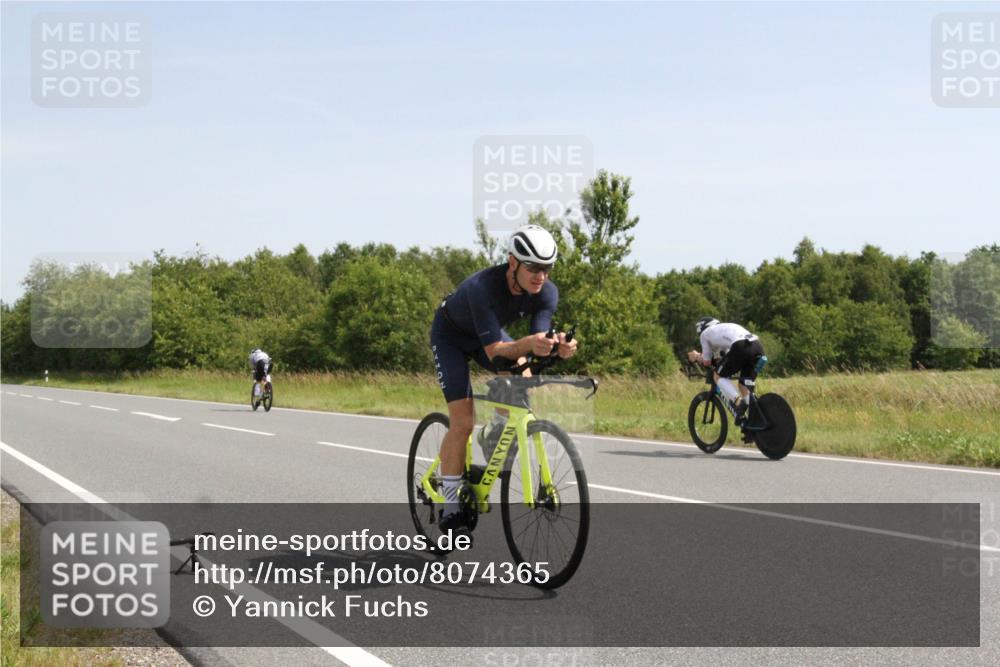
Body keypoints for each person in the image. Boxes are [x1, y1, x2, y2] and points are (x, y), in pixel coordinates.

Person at [430, 224, 578, 531]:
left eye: (547, 268)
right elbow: (497, 351)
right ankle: (450, 505)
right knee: (463, 421)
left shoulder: (546, 291)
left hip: (489, 336)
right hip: (451, 338)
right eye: (533, 267)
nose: (541, 276)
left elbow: (539, 336)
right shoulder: (481, 287)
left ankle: (495, 430)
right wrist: (528, 344)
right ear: (512, 262)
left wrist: (559, 346)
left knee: (522, 378)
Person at [687, 318, 765, 422]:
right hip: (757, 346)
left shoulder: (705, 334)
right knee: (743, 385)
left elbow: (706, 362)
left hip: (740, 347)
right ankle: (754, 421)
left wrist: (697, 356)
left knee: (718, 376)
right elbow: (725, 356)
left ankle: (738, 402)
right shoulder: (724, 329)